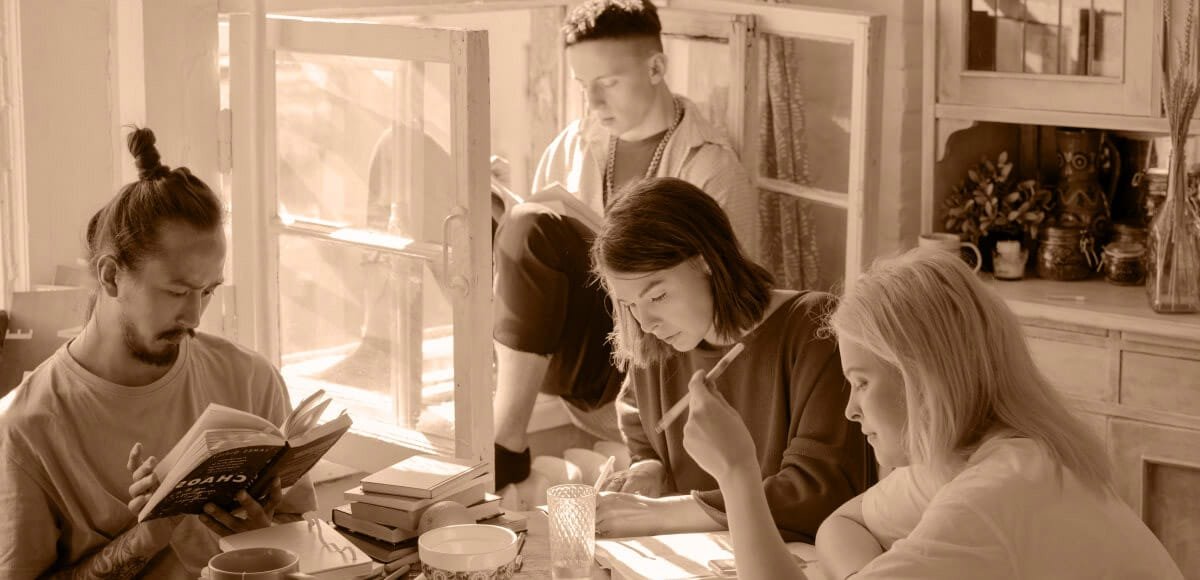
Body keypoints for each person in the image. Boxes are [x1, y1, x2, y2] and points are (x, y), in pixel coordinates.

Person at [681, 248, 1185, 579]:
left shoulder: (993, 496)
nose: (851, 410)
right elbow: (844, 522)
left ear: (923, 379)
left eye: (861, 383)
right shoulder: (968, 460)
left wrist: (737, 472)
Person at [0, 128, 317, 578]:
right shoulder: (26, 428)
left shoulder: (250, 379)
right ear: (111, 277)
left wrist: (261, 535)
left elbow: (300, 540)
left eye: (208, 291)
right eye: (177, 292)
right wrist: (145, 538)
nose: (195, 316)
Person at [493, 0, 757, 490]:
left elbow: (730, 305)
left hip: (658, 362)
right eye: (582, 86)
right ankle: (504, 439)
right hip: (583, 362)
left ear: (656, 68)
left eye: (608, 82)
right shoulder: (572, 145)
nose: (593, 102)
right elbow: (537, 268)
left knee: (533, 227)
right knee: (518, 222)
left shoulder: (710, 166)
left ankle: (503, 449)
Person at [587, 177, 871, 540]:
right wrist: (649, 468)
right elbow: (641, 427)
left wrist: (660, 514)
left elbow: (818, 493)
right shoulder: (659, 341)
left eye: (657, 296)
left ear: (706, 261)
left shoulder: (813, 328)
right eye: (629, 305)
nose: (646, 322)